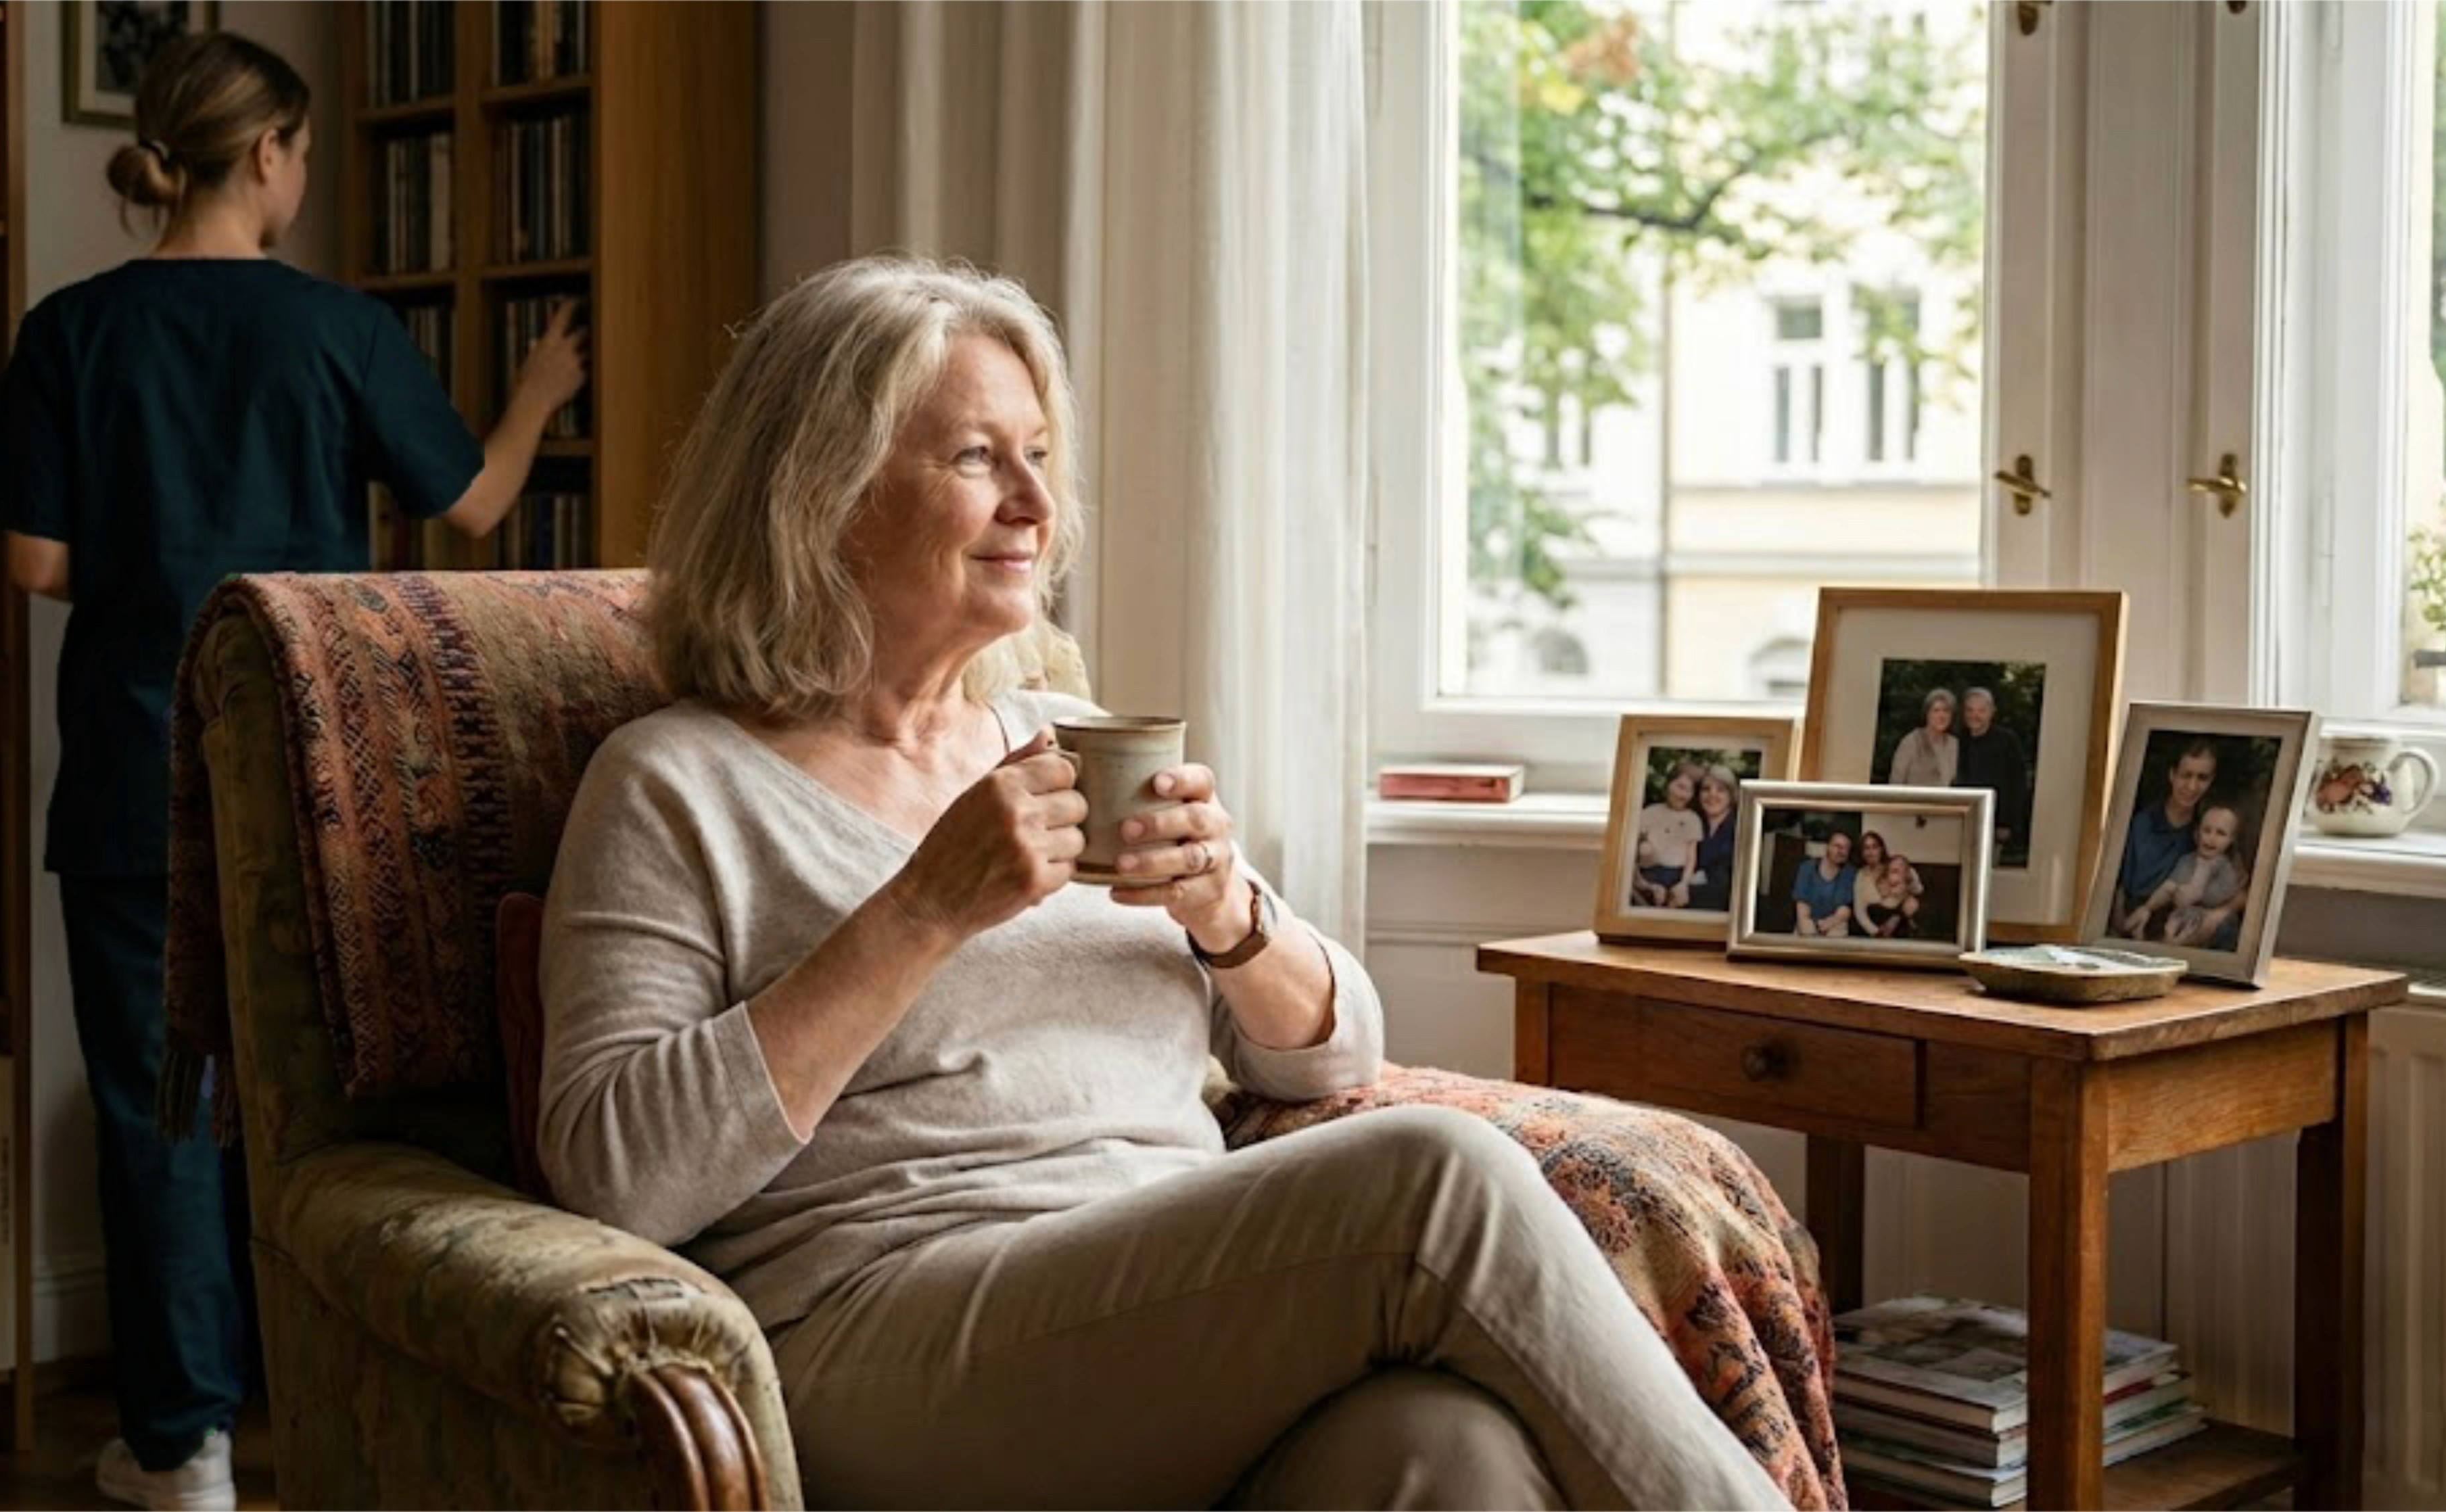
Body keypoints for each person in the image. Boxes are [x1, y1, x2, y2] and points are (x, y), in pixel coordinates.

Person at [533, 257, 1786, 1511]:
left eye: (1037, 455)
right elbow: (615, 1171)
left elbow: (1334, 1061)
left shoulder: (1071, 738)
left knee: (1444, 1449)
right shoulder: (677, 783)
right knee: (1434, 1181)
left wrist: (1227, 915)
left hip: (1163, 1307)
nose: (1035, 503)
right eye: (976, 458)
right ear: (825, 491)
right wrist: (924, 908)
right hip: (877, 1331)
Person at [0, 34, 588, 1512]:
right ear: (268, 155)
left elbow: (36, 561)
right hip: (321, 775)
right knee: (320, 1098)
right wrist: (539, 391)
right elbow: (472, 503)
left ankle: (183, 1448)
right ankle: (323, 1411)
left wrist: (161, 564)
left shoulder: (71, 329)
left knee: (156, 1105)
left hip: (133, 767)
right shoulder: (341, 330)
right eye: (302, 154)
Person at [2109, 740, 2218, 937]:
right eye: (2186, 776)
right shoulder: (2141, 823)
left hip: (2178, 927)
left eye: (2202, 778)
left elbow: (2238, 888)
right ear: (2172, 775)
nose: (2192, 787)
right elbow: (2117, 882)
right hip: (2130, 919)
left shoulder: (2211, 831)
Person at [2123, 802, 2249, 947]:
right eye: (2207, 831)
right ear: (2197, 834)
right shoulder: (2187, 860)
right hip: (2182, 915)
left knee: (2225, 926)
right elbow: (2170, 886)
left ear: (2231, 840)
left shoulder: (2226, 867)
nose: (2211, 838)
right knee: (2166, 926)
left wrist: (2198, 884)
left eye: (2221, 833)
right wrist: (2149, 907)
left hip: (2209, 918)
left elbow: (2217, 896)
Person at [1955, 686, 2032, 865]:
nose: (1975, 715)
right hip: (1959, 822)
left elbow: (2017, 784)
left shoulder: (2007, 741)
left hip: (1992, 822)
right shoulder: (1958, 740)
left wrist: (2006, 823)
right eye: (1970, 710)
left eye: (1982, 710)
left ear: (1992, 712)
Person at [1632, 759, 1706, 907]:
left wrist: (1684, 883)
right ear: (1668, 785)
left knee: (1676, 902)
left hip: (1676, 874)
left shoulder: (1692, 819)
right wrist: (1645, 884)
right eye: (1680, 787)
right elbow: (1634, 851)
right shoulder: (1650, 812)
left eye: (1689, 790)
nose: (1683, 794)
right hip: (1650, 872)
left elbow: (1691, 857)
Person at [1685, 763, 1745, 912]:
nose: (1712, 794)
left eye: (1721, 790)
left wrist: (1688, 892)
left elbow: (1737, 888)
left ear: (1731, 796)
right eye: (1706, 789)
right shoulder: (1691, 822)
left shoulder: (1742, 829)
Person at [1888, 687, 1960, 787]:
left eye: (1946, 711)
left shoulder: (1954, 744)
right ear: (1927, 714)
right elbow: (1896, 782)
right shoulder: (1911, 741)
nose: (1941, 716)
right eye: (1936, 711)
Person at [1854, 832, 1923, 937]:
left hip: (1899, 916)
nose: (1871, 852)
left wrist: (1898, 915)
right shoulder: (1860, 875)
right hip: (1874, 922)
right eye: (1866, 848)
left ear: (1881, 849)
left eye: (1874, 847)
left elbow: (1917, 889)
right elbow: (1859, 911)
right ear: (1862, 853)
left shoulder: (1891, 866)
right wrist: (1877, 932)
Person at [1791, 830, 1858, 937]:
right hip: (1808, 920)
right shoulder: (1807, 868)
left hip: (1835, 923)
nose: (1841, 851)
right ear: (1828, 847)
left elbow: (1844, 910)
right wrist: (1812, 931)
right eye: (1837, 846)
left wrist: (1826, 925)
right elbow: (1802, 908)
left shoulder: (1849, 872)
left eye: (1846, 848)